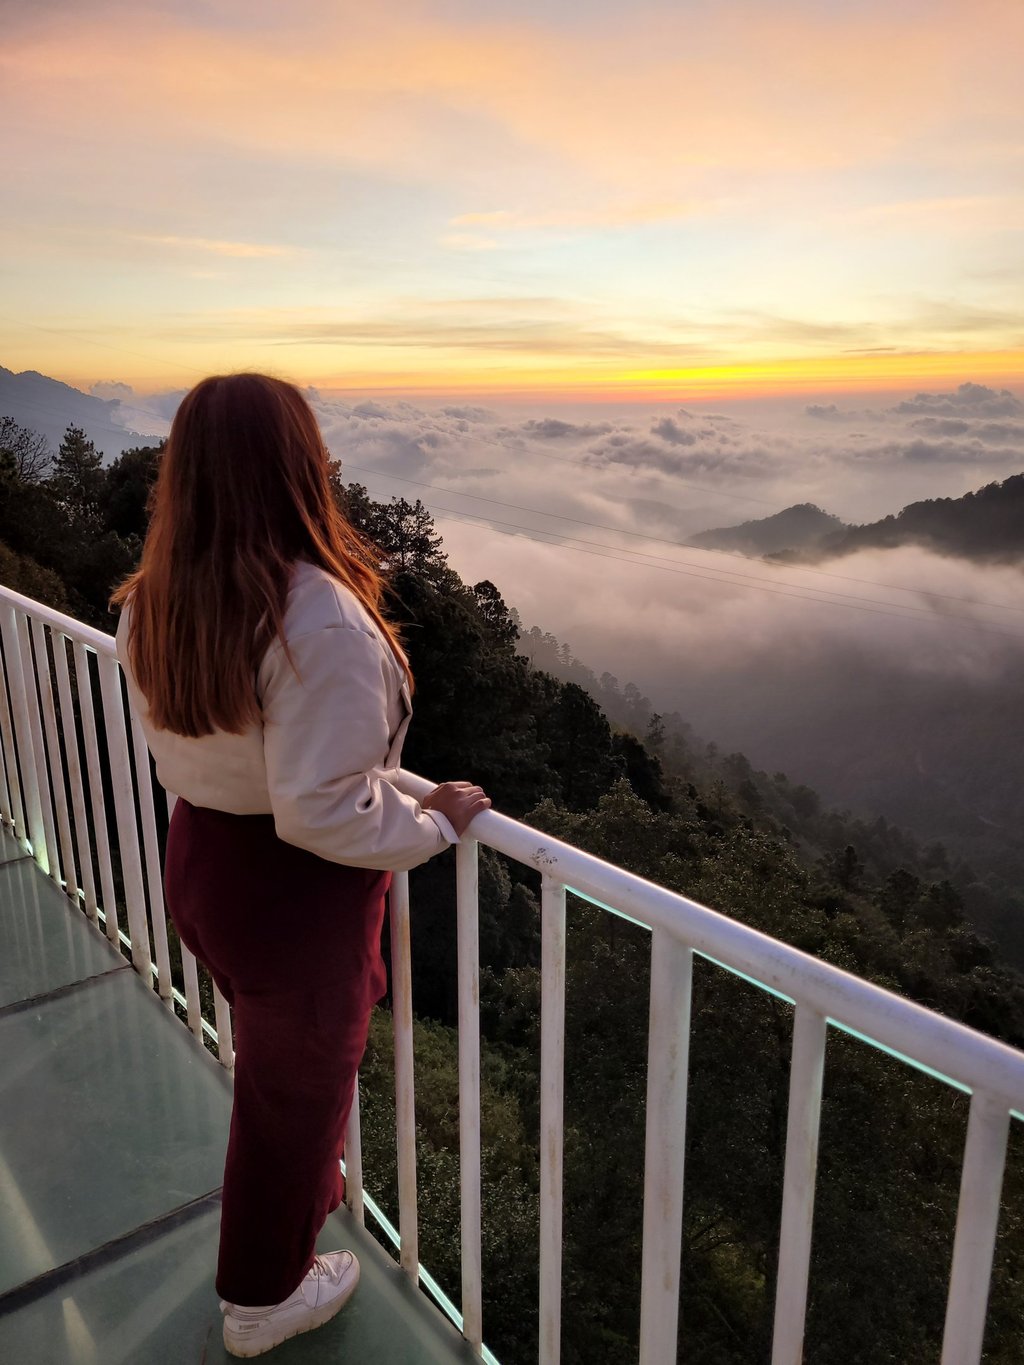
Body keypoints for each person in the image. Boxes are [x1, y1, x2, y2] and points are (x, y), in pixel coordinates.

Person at [109, 372, 490, 1359]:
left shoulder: (157, 599)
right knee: (292, 1100)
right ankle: (261, 1298)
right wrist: (434, 825)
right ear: (298, 466)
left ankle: (303, 1195)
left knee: (284, 1075)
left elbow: (251, 756)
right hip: (295, 896)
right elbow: (321, 806)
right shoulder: (311, 616)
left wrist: (393, 800)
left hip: (205, 861)